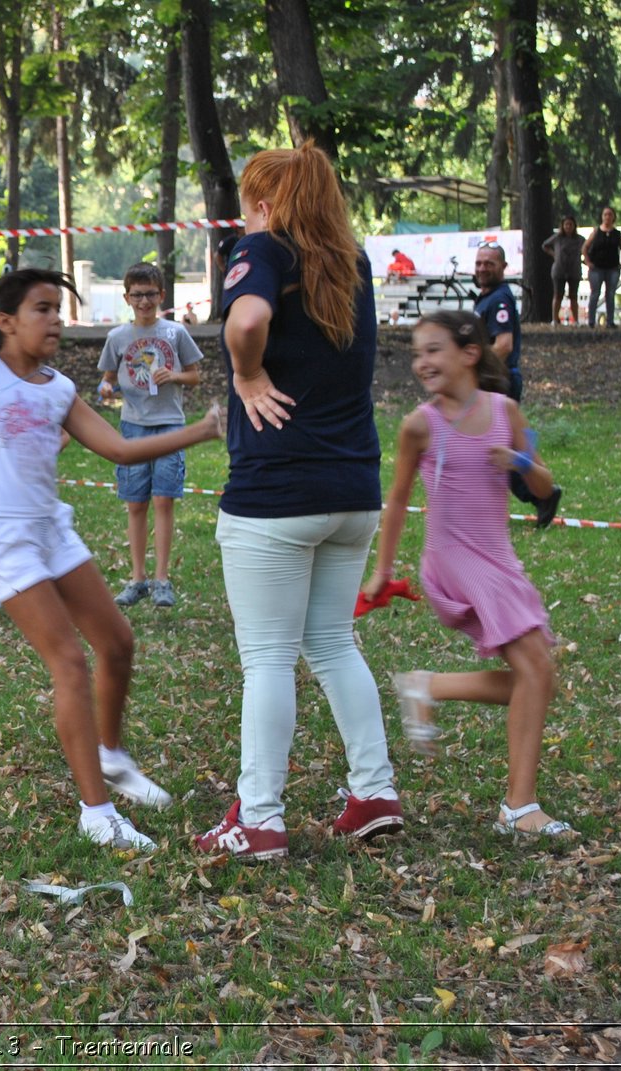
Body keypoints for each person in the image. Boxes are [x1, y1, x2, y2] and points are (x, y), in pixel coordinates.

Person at [0, 214, 225, 854]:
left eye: (59, 310)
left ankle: (112, 755)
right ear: (7, 321)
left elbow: (122, 450)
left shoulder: (61, 387)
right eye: (43, 309)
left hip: (51, 527)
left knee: (118, 643)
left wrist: (204, 430)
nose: (56, 319)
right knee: (69, 663)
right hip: (0, 535)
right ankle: (95, 812)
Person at [192, 142, 401, 863]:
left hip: (276, 492)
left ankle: (259, 817)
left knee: (268, 659)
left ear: (268, 202)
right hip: (353, 489)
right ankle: (373, 790)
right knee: (333, 643)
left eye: (253, 198)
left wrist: (246, 376)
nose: (248, 211)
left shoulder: (264, 251)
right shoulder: (353, 263)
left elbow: (245, 323)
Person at [362, 311, 573, 839]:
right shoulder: (421, 424)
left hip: (497, 557)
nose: (422, 363)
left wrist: (521, 462)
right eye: (417, 354)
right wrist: (383, 571)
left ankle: (427, 685)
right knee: (536, 669)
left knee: (537, 677)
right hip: (454, 560)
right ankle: (520, 809)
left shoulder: (506, 411)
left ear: (469, 353)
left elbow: (546, 488)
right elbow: (398, 500)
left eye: (432, 350)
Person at [97, 263, 203, 609]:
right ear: (127, 297)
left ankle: (161, 580)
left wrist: (173, 375)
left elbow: (194, 376)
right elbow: (109, 377)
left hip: (170, 423)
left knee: (163, 499)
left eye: (150, 294)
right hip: (133, 426)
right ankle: (138, 578)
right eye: (137, 295)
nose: (144, 301)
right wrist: (106, 387)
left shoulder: (174, 333)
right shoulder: (117, 338)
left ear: (162, 295)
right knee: (137, 503)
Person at [473, 241, 562, 528]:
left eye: (489, 263)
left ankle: (542, 493)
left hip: (497, 381)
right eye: (479, 263)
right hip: (492, 382)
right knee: (498, 447)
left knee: (493, 447)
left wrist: (469, 369)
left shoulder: (499, 299)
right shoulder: (486, 297)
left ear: (503, 267)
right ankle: (542, 493)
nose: (483, 268)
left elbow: (503, 345)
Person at [582, 206, 621, 328]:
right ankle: (591, 321)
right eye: (605, 214)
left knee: (610, 294)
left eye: (610, 214)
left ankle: (610, 321)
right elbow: (585, 247)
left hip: (612, 268)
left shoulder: (617, 234)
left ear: (613, 217)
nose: (607, 217)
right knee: (595, 294)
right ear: (602, 217)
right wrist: (588, 262)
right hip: (596, 268)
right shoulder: (596, 232)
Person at [541, 216, 583, 325]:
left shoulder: (580, 239)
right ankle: (555, 319)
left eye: (570, 224)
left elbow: (587, 247)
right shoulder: (557, 238)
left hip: (574, 270)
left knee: (573, 296)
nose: (568, 227)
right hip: (559, 270)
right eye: (566, 224)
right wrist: (554, 254)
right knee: (557, 295)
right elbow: (545, 245)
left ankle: (576, 320)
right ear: (563, 226)